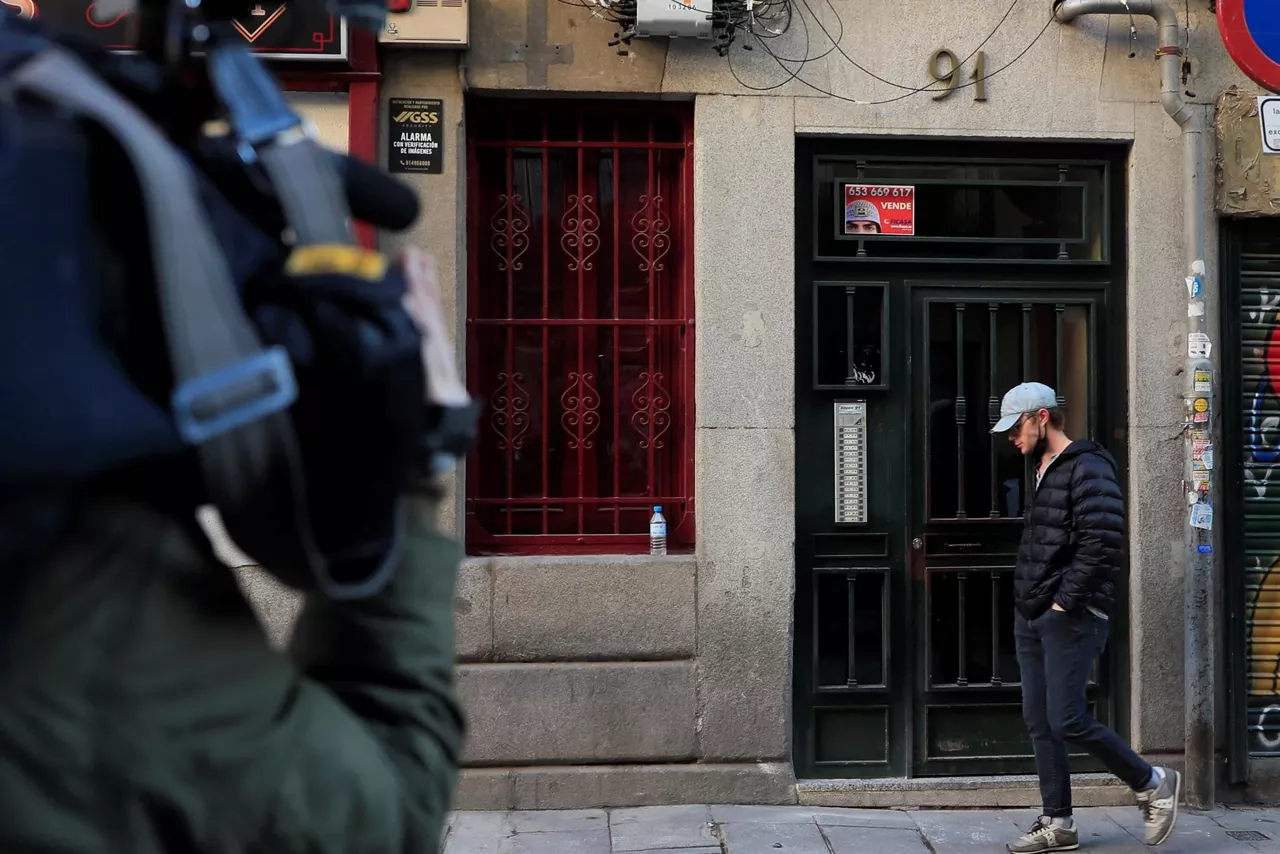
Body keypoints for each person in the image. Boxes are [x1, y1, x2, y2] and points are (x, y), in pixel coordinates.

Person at [990, 382, 1180, 853]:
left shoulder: (1089, 466)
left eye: (1016, 427)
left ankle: (1153, 782)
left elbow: (1102, 542)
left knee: (1067, 718)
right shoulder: (1042, 467)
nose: (1011, 438)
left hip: (1069, 614)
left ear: (1040, 417)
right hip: (1033, 613)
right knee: (1040, 719)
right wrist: (1034, 604)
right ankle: (1058, 822)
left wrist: (1063, 604)